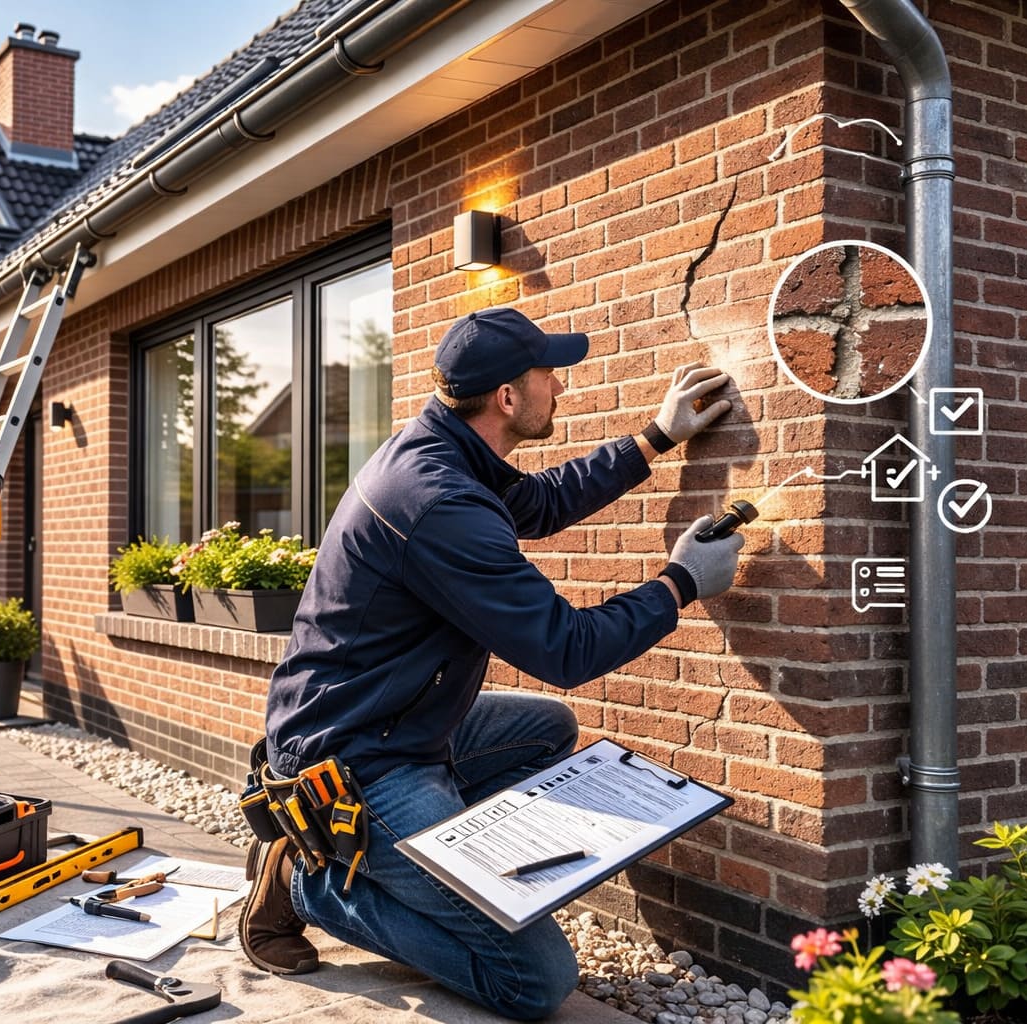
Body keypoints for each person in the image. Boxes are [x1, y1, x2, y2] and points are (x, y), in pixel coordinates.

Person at [238, 306, 746, 1020]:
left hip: (395, 722)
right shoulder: (437, 500)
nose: (559, 386)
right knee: (534, 982)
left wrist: (657, 437)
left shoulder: (447, 452)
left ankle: (432, 860)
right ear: (508, 397)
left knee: (546, 731)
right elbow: (565, 648)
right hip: (353, 764)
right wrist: (680, 583)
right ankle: (307, 883)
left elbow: (540, 502)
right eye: (549, 374)